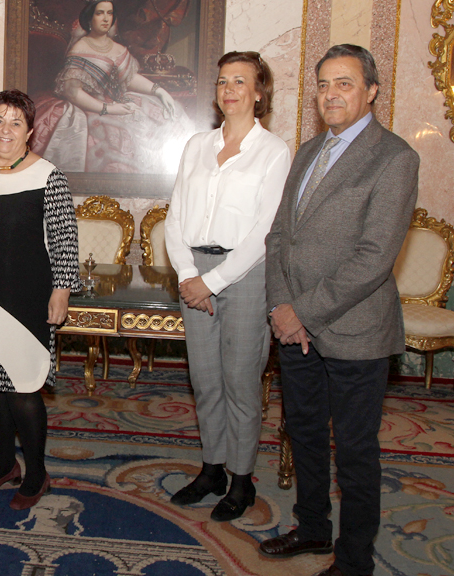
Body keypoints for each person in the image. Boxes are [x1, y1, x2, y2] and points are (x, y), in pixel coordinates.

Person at [259, 45, 419, 576]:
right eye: (324, 84)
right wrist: (282, 307)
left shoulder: (394, 157)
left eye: (345, 83)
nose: (331, 94)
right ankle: (311, 528)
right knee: (302, 433)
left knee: (353, 451)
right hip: (295, 327)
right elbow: (280, 235)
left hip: (354, 331)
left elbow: (374, 258)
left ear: (372, 90)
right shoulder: (306, 151)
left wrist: (303, 310)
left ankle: (354, 561)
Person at [164, 51, 290, 521]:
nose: (229, 89)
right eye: (222, 81)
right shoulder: (196, 145)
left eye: (240, 81)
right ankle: (212, 469)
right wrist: (188, 276)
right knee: (205, 381)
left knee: (240, 381)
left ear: (259, 92)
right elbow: (175, 218)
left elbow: (264, 231)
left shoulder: (273, 151)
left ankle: (241, 481)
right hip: (194, 273)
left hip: (244, 274)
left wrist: (212, 282)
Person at [0, 89, 82, 510]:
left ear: (30, 131)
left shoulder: (48, 176)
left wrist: (61, 291)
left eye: (15, 123)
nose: (5, 130)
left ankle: (37, 473)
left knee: (24, 387)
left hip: (25, 299)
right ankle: (6, 463)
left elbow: (65, 242)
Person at [31, 0, 194, 174]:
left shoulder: (117, 49)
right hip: (87, 108)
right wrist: (110, 108)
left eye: (109, 13)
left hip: (115, 101)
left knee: (160, 117)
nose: (105, 18)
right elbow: (73, 92)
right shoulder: (81, 47)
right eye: (100, 13)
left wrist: (159, 91)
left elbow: (129, 79)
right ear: (90, 18)